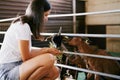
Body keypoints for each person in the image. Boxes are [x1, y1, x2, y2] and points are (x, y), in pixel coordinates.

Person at [0, 0, 61, 80]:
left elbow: (26, 52)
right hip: (8, 70)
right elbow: (26, 57)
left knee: (54, 72)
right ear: (38, 14)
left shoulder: (24, 25)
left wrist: (48, 50)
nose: (47, 19)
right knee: (49, 58)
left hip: (18, 65)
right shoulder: (23, 26)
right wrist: (46, 51)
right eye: (45, 15)